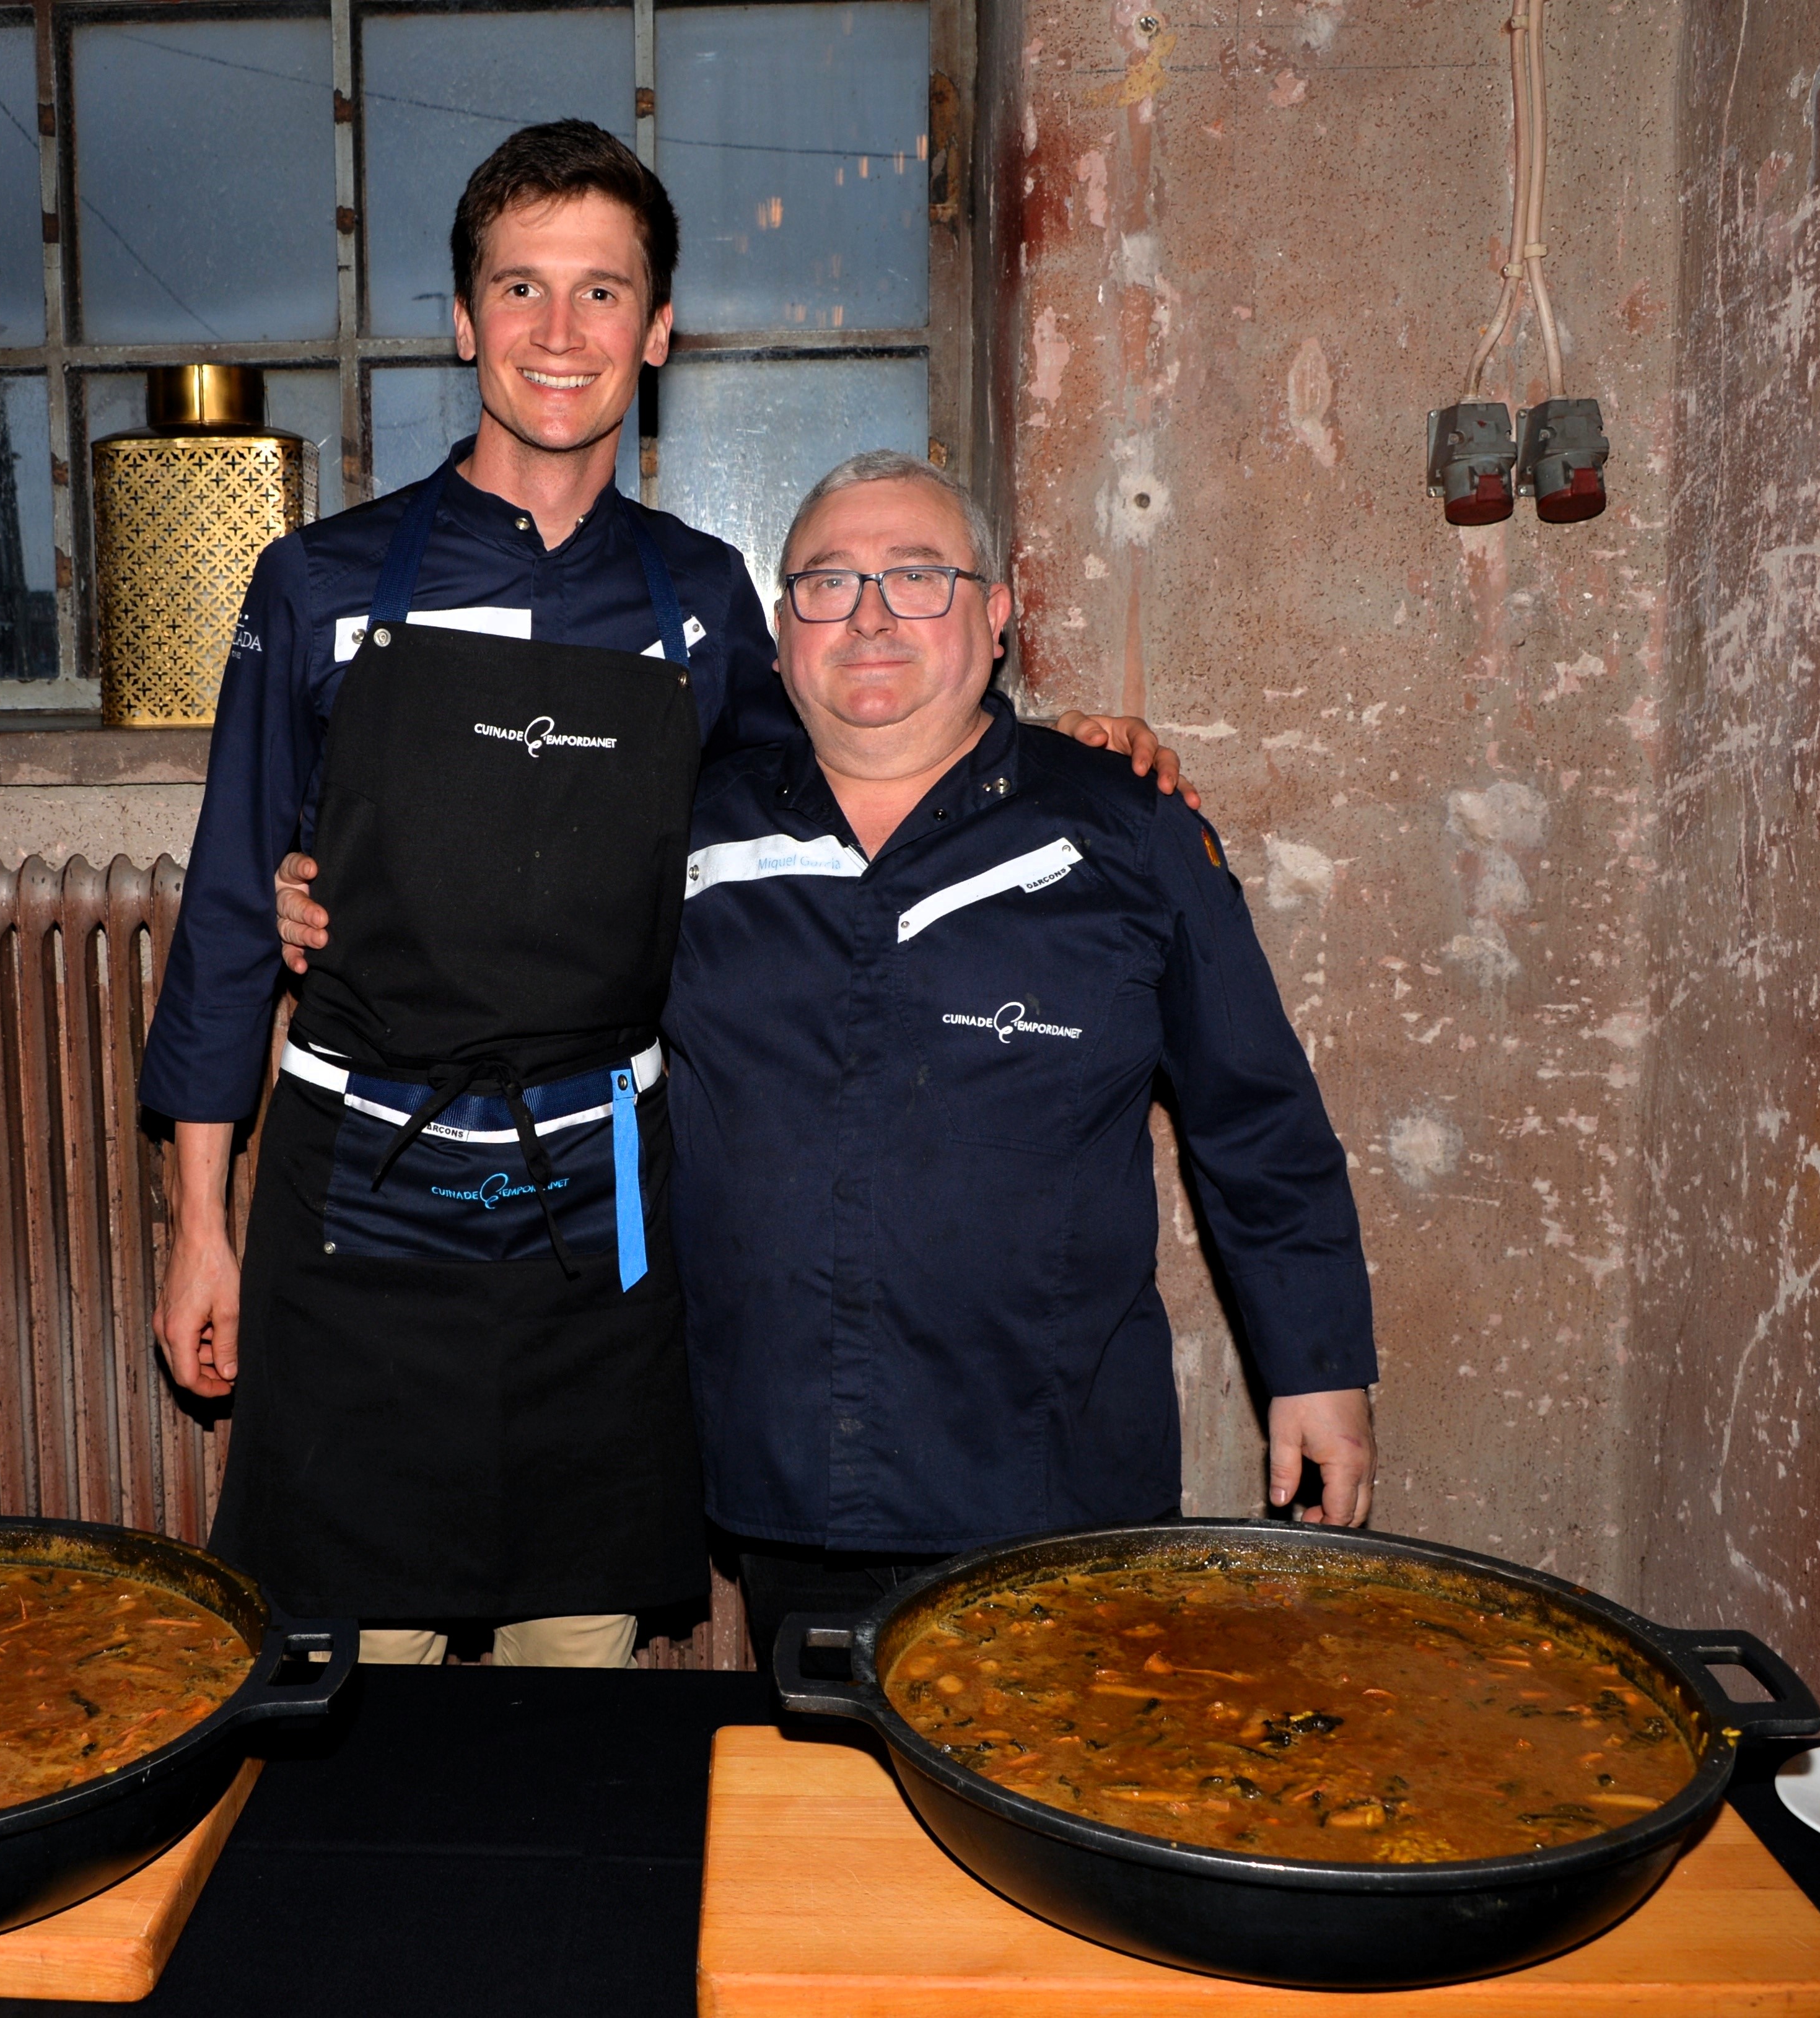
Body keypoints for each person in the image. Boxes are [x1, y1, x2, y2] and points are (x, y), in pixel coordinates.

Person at [145, 122, 1176, 1670]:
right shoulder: (317, 585)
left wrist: (1045, 752)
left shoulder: (696, 598)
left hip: (601, 1198)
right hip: (355, 1191)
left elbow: (831, 783)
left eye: (602, 292)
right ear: (463, 323)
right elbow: (234, 914)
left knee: (576, 1666)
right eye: (520, 288)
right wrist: (197, 1227)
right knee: (354, 1683)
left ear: (657, 329)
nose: (559, 332)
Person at [664, 450, 1378, 1659]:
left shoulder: (1127, 829)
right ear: (782, 633)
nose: (870, 617)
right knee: (827, 1780)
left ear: (995, 615)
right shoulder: (691, 833)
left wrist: (1316, 1367)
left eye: (917, 578)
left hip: (1056, 1478)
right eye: (827, 584)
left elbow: (1252, 1115)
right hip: (790, 1469)